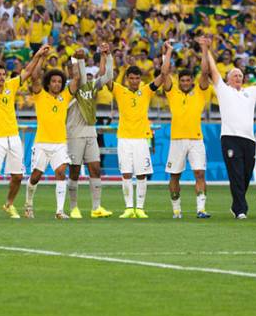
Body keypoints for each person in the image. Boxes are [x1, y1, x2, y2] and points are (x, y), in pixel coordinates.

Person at [206, 43, 256, 219]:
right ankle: (241, 210)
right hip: (230, 138)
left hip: (249, 140)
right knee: (235, 174)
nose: (238, 77)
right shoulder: (223, 90)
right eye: (234, 75)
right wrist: (206, 50)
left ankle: (237, 205)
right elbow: (213, 70)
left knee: (246, 176)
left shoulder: (250, 92)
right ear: (227, 79)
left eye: (240, 75)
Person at [0, 44, 45, 219]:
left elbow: (28, 71)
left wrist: (37, 55)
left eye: (3, 74)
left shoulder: (11, 85)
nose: (1, 77)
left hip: (13, 137)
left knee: (18, 176)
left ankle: (8, 204)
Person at [107, 43, 172, 219]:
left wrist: (168, 53)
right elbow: (106, 79)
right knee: (126, 173)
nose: (135, 81)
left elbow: (164, 74)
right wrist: (107, 56)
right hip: (124, 138)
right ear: (127, 78)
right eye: (132, 78)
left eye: (137, 78)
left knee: (142, 173)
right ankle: (129, 208)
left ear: (140, 79)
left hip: (142, 138)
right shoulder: (119, 91)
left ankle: (140, 208)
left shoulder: (146, 91)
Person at [163, 37, 212, 219]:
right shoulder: (172, 92)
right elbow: (164, 72)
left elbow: (205, 72)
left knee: (199, 173)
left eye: (187, 80)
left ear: (192, 80)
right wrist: (169, 51)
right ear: (179, 81)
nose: (184, 82)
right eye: (182, 80)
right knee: (174, 176)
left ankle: (201, 209)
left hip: (196, 139)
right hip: (177, 140)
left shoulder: (200, 91)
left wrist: (204, 48)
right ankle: (177, 210)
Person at [22, 45, 71, 219]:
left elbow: (78, 80)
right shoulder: (40, 95)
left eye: (59, 81)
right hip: (42, 143)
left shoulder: (65, 96)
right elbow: (34, 76)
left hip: (60, 143)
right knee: (35, 176)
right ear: (48, 83)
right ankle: (28, 205)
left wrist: (77, 60)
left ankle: (59, 210)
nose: (57, 84)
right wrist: (41, 56)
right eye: (54, 81)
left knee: (61, 173)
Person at [65, 43, 114, 219]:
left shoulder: (91, 86)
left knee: (95, 168)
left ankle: (96, 207)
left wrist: (108, 56)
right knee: (75, 171)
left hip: (91, 132)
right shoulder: (70, 87)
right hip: (74, 133)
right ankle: (73, 207)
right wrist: (78, 59)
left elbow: (108, 75)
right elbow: (80, 77)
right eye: (74, 69)